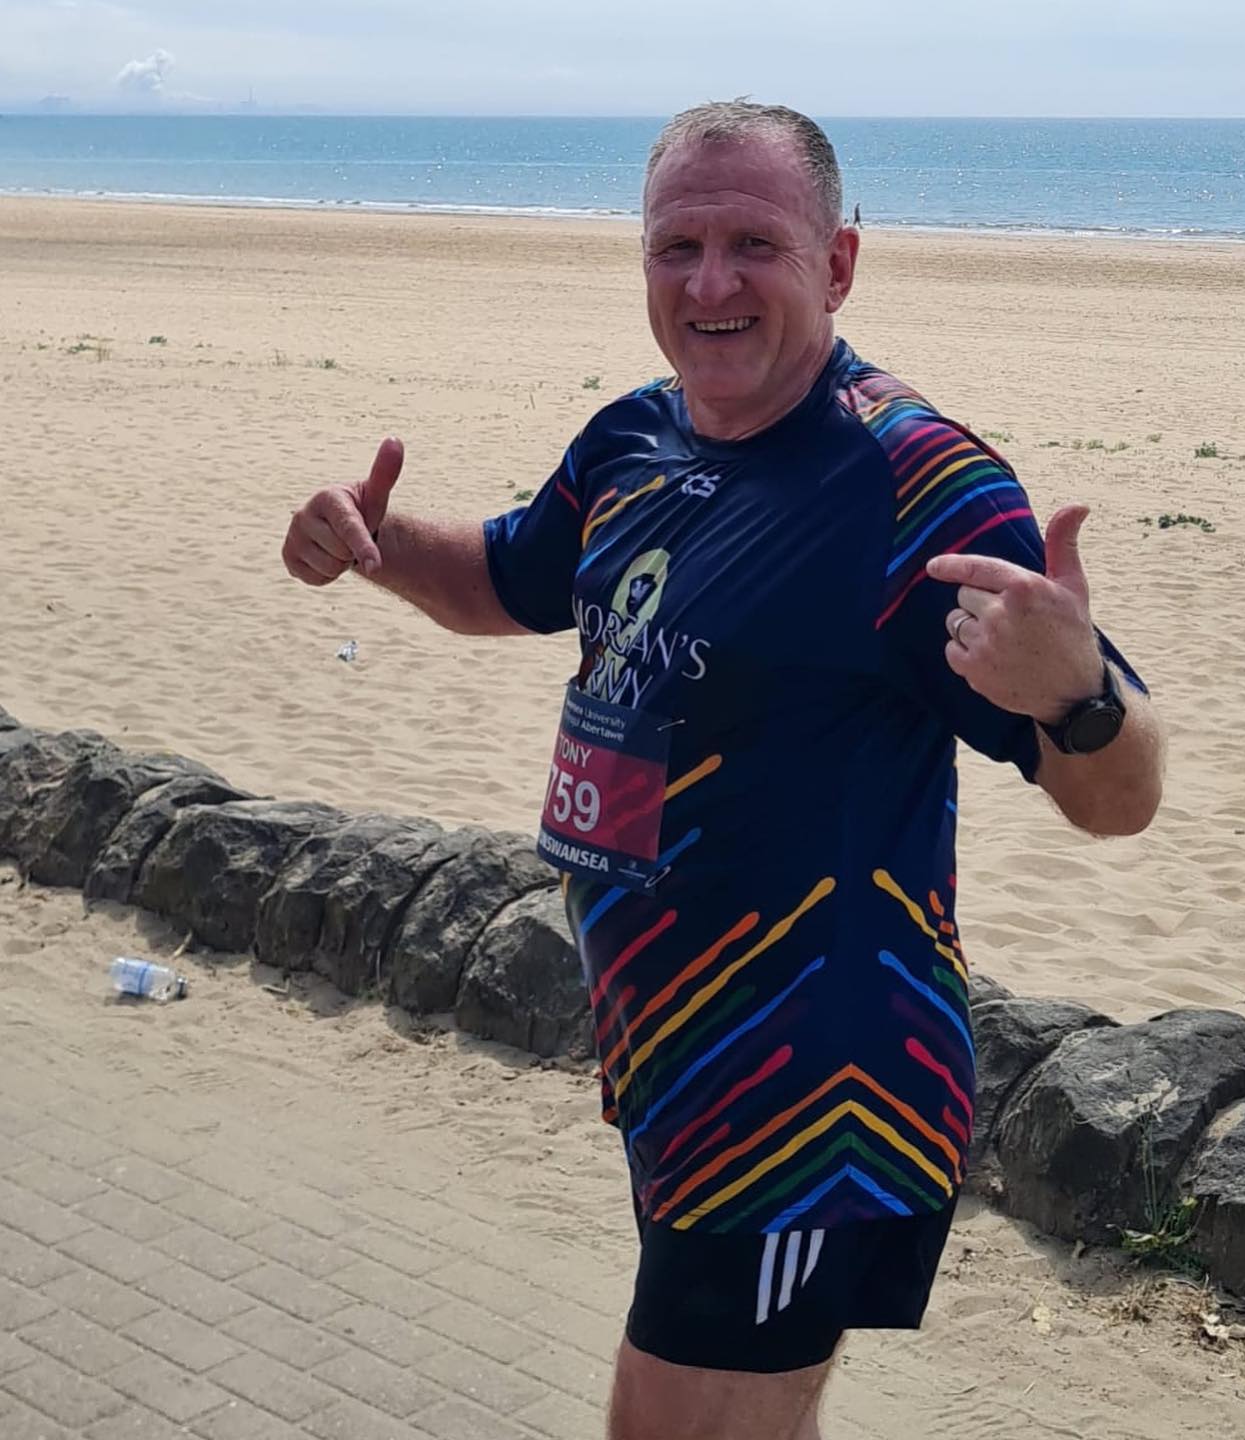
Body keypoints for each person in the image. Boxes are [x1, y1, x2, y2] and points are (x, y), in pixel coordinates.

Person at [282, 100, 1164, 1440]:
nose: (709, 284)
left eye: (754, 243)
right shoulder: (635, 440)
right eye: (676, 247)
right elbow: (509, 581)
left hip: (809, 1102)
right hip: (670, 1063)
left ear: (838, 263)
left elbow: (1122, 798)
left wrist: (1078, 696)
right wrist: (376, 543)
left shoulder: (916, 485)